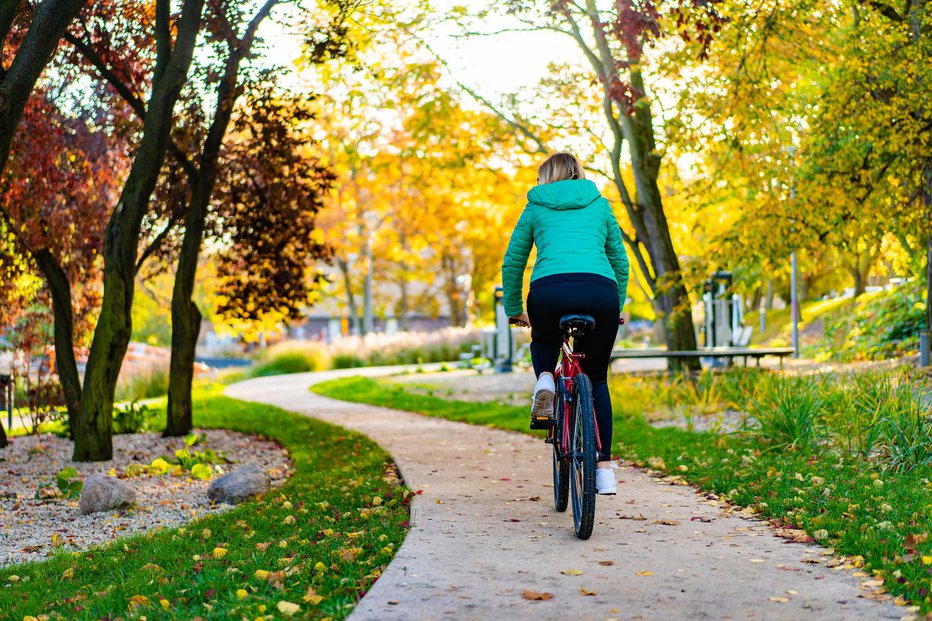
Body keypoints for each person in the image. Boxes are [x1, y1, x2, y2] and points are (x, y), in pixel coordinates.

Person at [501, 152, 629, 495]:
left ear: (546, 178)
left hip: (549, 292)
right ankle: (603, 470)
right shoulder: (600, 205)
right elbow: (619, 259)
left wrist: (515, 309)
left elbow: (514, 261)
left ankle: (545, 379)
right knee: (597, 379)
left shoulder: (535, 206)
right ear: (578, 174)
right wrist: (618, 303)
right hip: (599, 292)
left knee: (544, 342)